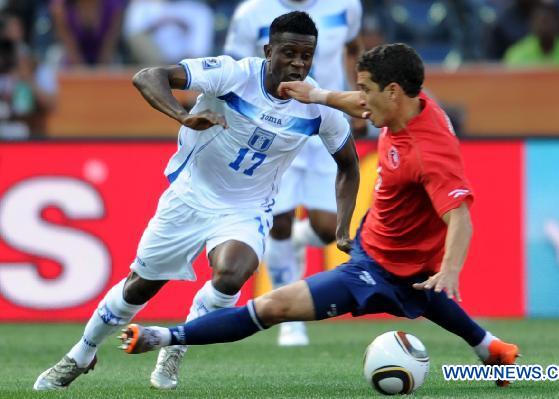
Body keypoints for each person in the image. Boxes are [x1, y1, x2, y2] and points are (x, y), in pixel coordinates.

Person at [120, 43, 520, 388]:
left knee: (272, 307)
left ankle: (163, 337)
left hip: (376, 269)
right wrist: (317, 95)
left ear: (393, 91)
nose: (360, 98)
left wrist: (450, 270)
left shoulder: (428, 151)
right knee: (421, 291)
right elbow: (358, 103)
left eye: (366, 88)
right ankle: (491, 349)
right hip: (391, 250)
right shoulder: (410, 106)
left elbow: (460, 215)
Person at [33, 11, 359, 391]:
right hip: (191, 195)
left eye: (307, 56)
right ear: (269, 50)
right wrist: (183, 116)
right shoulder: (232, 74)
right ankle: (81, 354)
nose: (298, 64)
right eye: (289, 53)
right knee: (139, 287)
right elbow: (147, 76)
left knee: (232, 275)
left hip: (246, 208)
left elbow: (349, 166)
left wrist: (342, 227)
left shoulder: (317, 107)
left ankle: (175, 347)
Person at [224, 0, 363, 348]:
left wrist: (355, 96)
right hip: (276, 123)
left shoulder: (346, 5)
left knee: (326, 228)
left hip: (324, 121)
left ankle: (297, 242)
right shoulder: (250, 13)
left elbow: (354, 47)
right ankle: (289, 321)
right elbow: (234, 67)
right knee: (279, 221)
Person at [503, 1, 559, 68]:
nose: (545, 27)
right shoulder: (517, 55)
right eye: (541, 22)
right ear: (531, 25)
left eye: (549, 22)